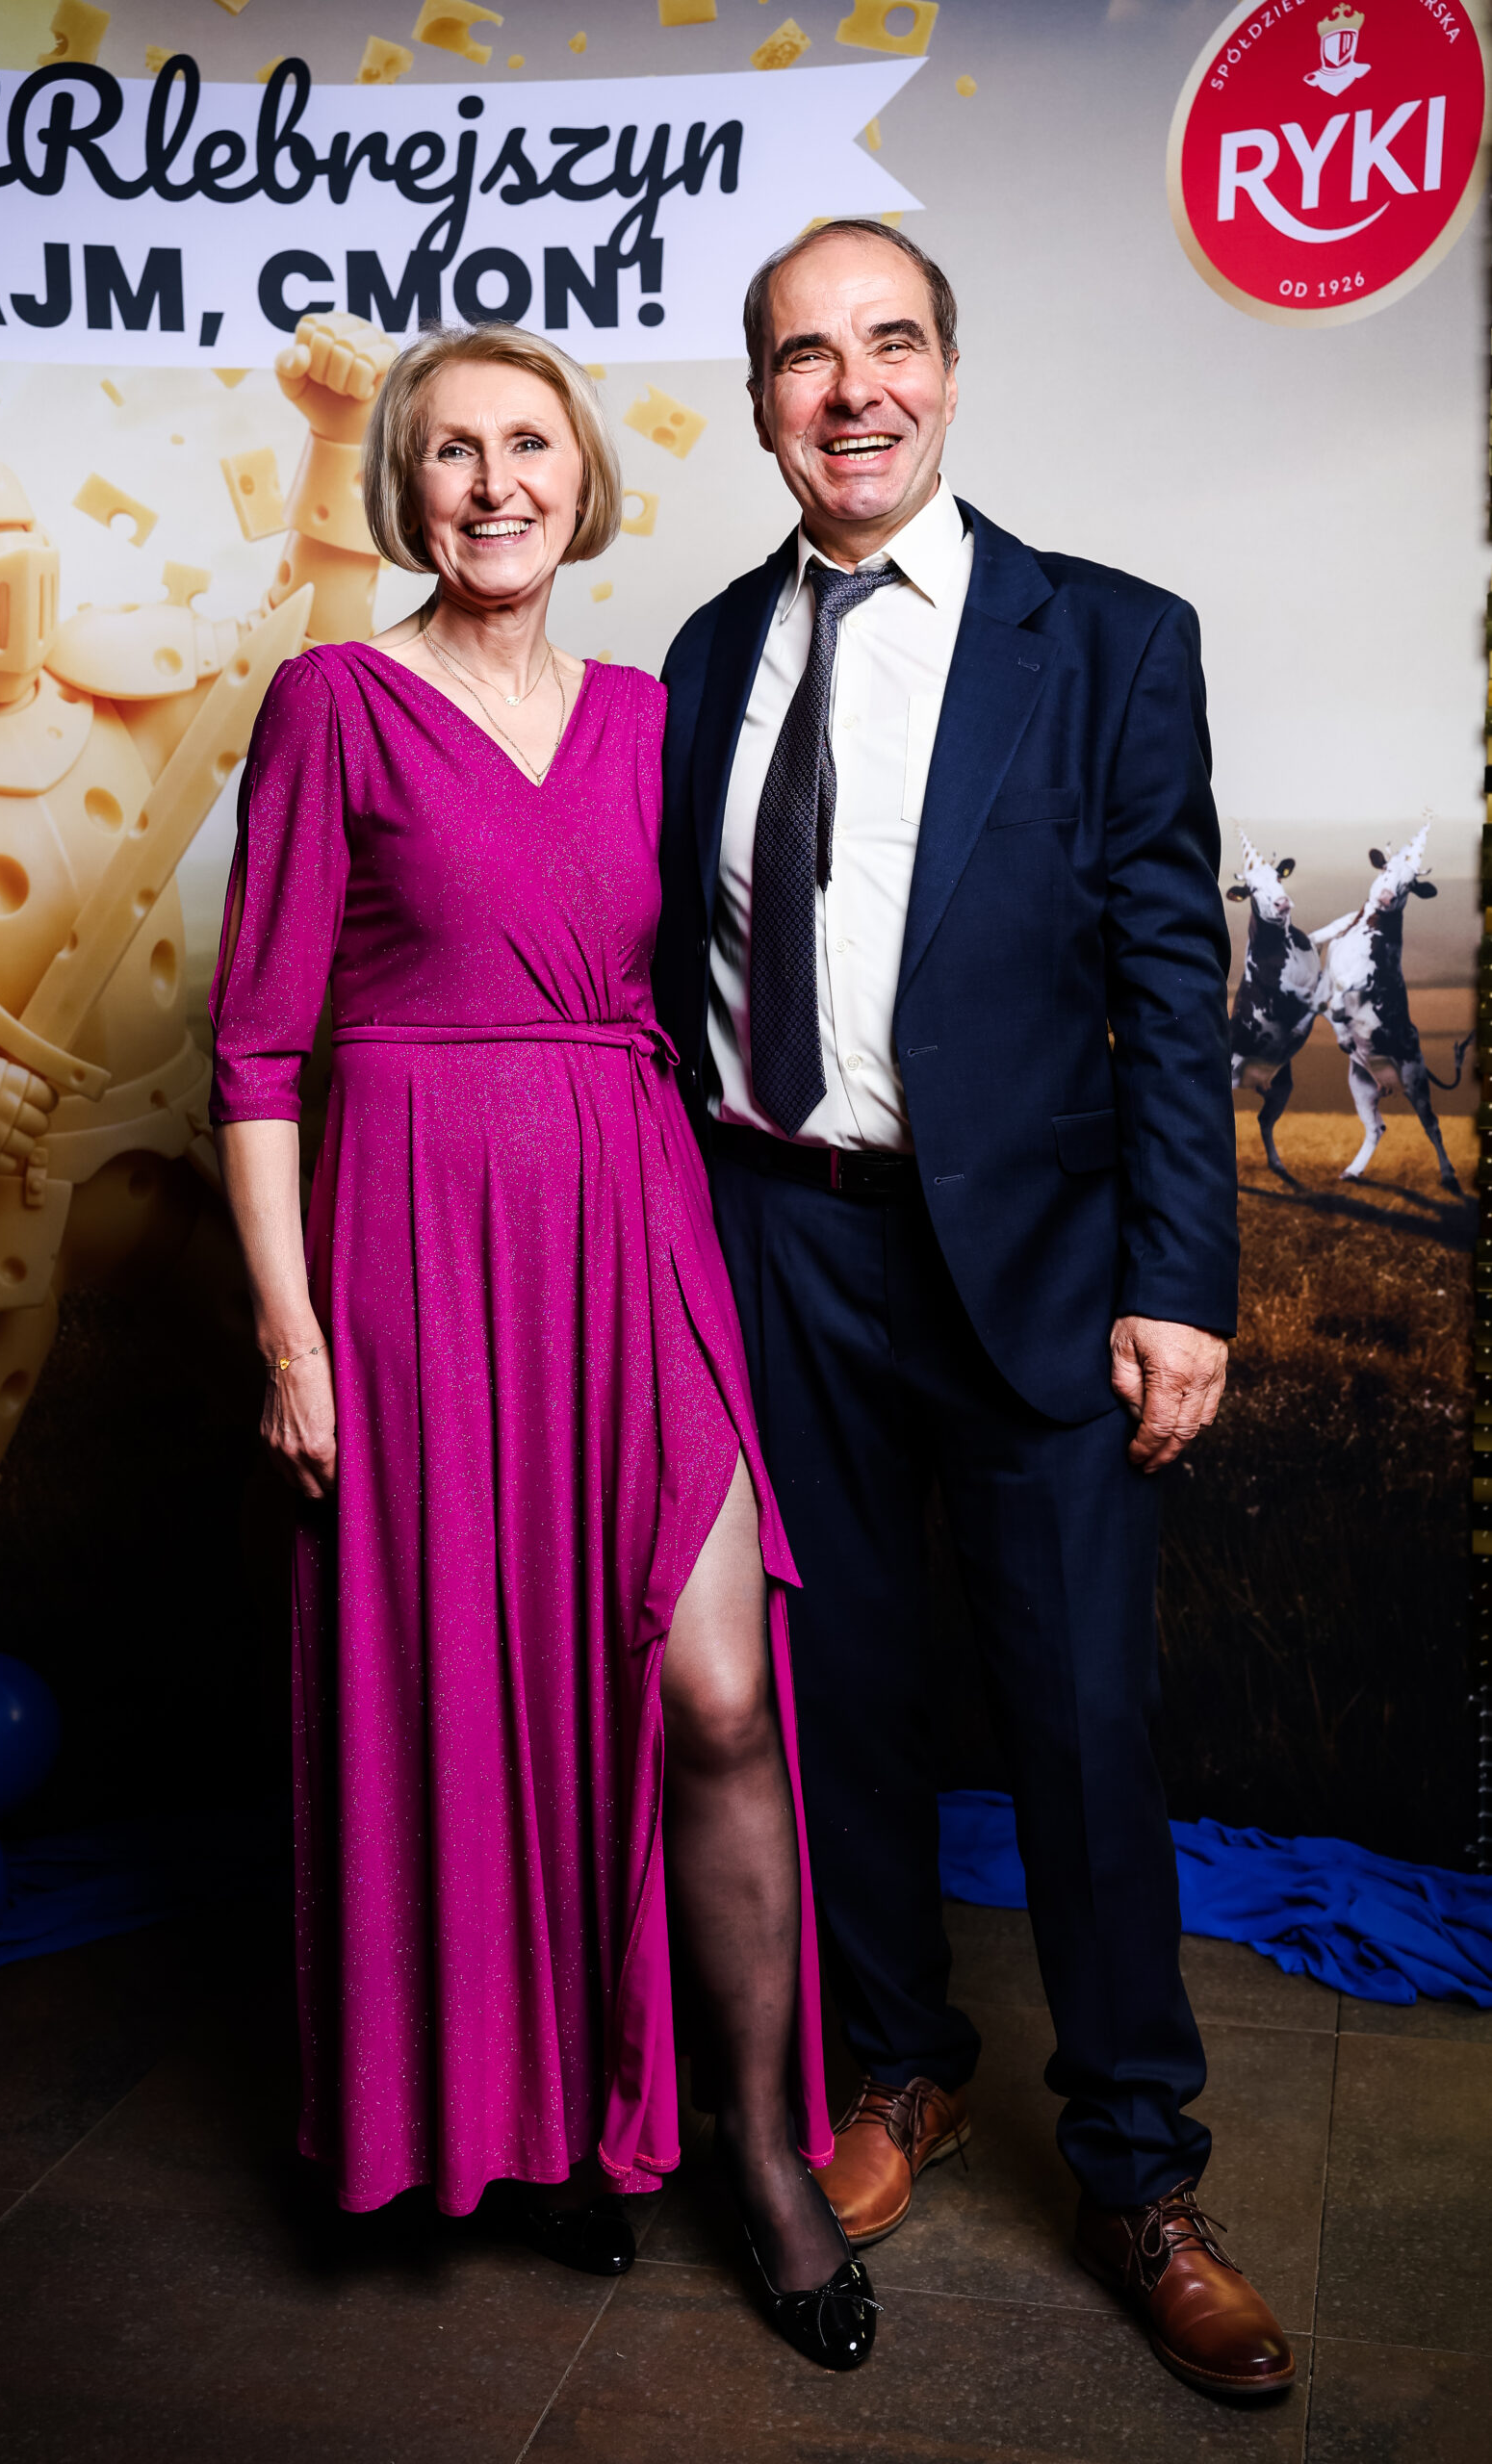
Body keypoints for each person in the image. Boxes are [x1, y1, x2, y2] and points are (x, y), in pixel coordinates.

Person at [653, 220, 1295, 2402]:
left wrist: (1177, 1282)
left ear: (947, 370)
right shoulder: (703, 652)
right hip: (778, 1241)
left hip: (1029, 1262)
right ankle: (898, 2066)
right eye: (804, 356)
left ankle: (1139, 2175)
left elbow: (1168, 986)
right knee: (829, 1695)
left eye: (892, 344)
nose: (853, 389)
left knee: (1081, 1726)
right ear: (759, 398)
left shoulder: (1108, 637)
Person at [209, 322, 878, 2372]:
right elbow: (255, 1051)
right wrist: (292, 1338)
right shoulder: (332, 703)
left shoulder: (650, 715)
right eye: (452, 450)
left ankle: (755, 2149)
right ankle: (555, 2123)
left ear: (582, 482)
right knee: (489, 1705)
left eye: (530, 445)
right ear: (401, 486)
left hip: (630, 1221)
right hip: (410, 1257)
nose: (495, 482)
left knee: (712, 1692)